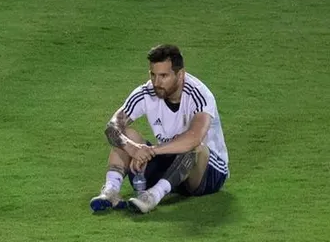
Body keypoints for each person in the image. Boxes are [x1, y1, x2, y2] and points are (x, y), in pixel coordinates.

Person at [91, 44, 230, 214]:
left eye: (163, 76)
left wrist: (152, 150)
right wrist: (133, 148)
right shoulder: (146, 92)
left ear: (180, 74)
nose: (156, 82)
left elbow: (194, 137)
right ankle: (111, 192)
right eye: (153, 74)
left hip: (206, 172)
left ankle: (152, 197)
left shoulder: (199, 95)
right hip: (171, 165)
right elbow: (112, 127)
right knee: (127, 134)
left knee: (195, 148)